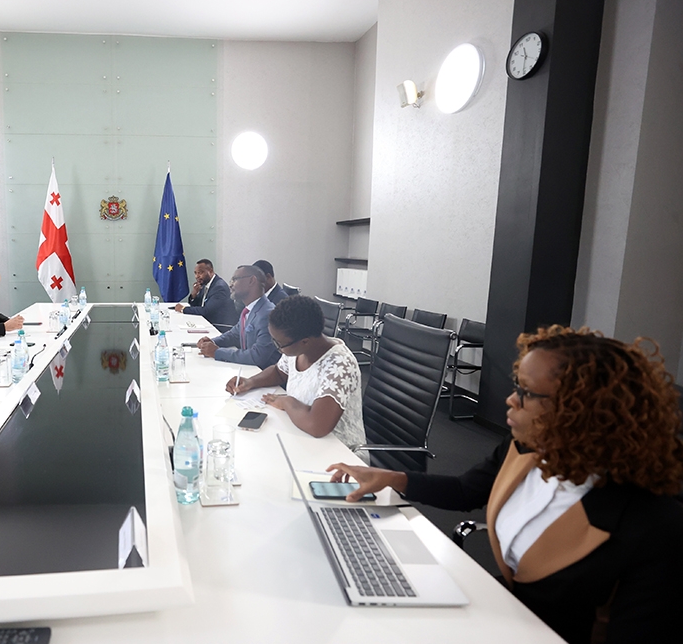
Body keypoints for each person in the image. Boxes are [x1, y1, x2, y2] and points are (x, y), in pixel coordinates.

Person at [327, 327, 683, 643]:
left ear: (581, 410)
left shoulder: (653, 527)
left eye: (526, 392)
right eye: (517, 386)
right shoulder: (523, 448)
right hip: (498, 612)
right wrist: (392, 479)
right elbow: (465, 491)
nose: (511, 400)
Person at [225, 295, 366, 460]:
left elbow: (317, 426)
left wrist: (287, 402)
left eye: (279, 344)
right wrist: (250, 382)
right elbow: (279, 372)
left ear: (305, 341)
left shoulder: (339, 365)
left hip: (341, 454)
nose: (278, 348)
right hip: (302, 438)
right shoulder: (298, 349)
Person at [197, 265, 279, 369]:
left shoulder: (267, 314)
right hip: (247, 370)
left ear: (251, 280)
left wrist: (217, 352)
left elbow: (258, 356)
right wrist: (212, 342)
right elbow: (234, 335)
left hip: (261, 373)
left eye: (235, 279)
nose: (230, 285)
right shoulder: (249, 309)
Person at [173, 258, 238, 327]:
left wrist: (183, 309)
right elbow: (197, 306)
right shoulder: (205, 284)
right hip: (207, 322)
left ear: (210, 271)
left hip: (220, 326)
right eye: (195, 273)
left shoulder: (219, 287)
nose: (197, 276)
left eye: (200, 273)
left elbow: (206, 311)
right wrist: (193, 295)